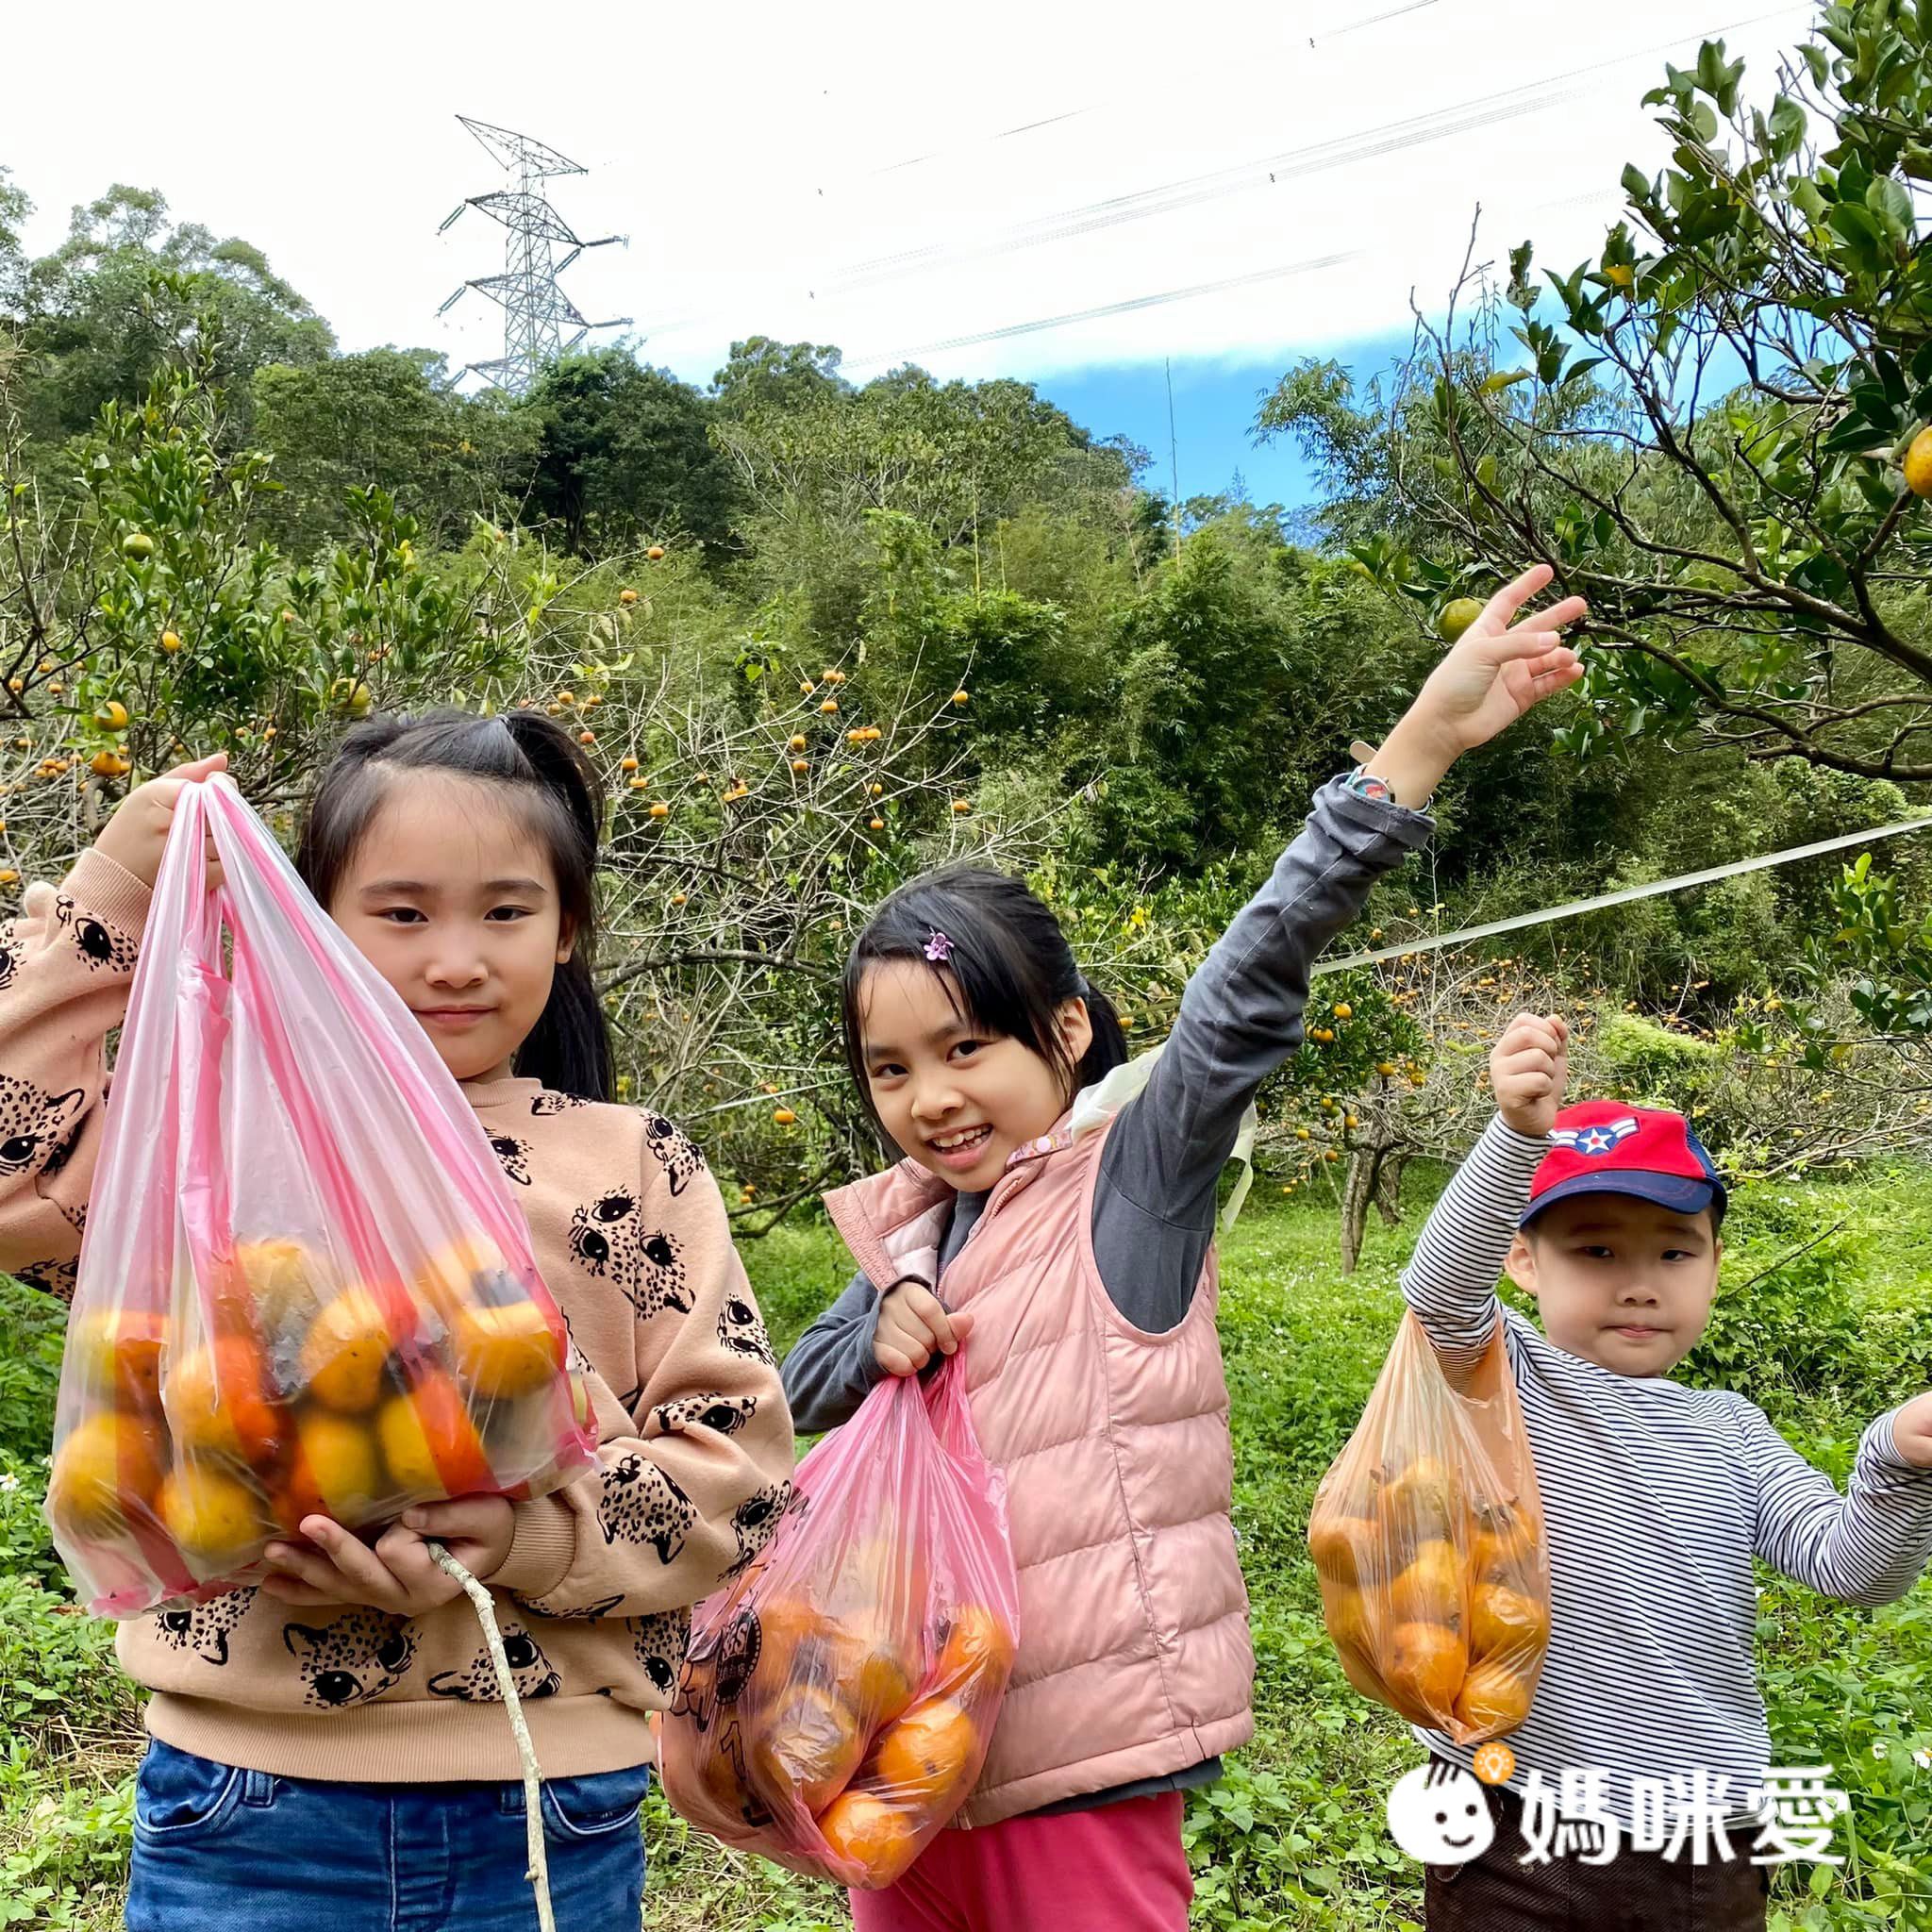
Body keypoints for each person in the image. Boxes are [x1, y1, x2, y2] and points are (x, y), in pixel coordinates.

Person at [780, 564, 1588, 1931]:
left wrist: (1421, 747)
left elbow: (1247, 983)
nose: (930, 1098)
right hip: (907, 1753)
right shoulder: (907, 1228)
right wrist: (876, 1328)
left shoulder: (1133, 1185)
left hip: (1082, 1754)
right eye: (890, 1068)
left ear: (1067, 1033)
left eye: (965, 1047)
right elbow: (794, 1386)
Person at [0, 710, 794, 1930]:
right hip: (251, 1805)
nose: (458, 959)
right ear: (309, 918)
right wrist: (116, 888)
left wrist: (522, 1536)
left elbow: (740, 1479)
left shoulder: (634, 1167)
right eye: (405, 911)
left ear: (569, 928)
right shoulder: (220, 1148)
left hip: (546, 1806)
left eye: (507, 911)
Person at [1400, 1008, 1932, 1930]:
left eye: (1673, 1250)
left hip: (1703, 1841)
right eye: (1596, 1249)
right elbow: (1437, 1289)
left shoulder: (1730, 1427)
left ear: (1713, 1263)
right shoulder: (1501, 1373)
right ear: (1523, 1259)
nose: (1639, 1281)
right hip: (1510, 1820)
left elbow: (1853, 1571)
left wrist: (1893, 1457)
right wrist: (1514, 1136)